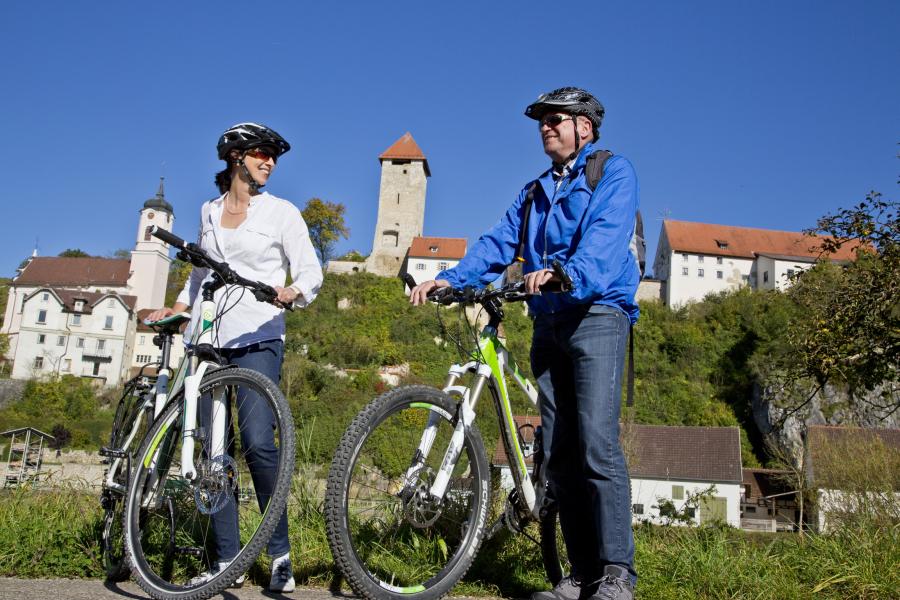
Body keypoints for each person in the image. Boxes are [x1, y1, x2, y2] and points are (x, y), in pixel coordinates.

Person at [410, 88, 639, 600]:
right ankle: (580, 575)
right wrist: (451, 278)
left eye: (556, 120)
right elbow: (497, 242)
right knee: (558, 454)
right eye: (541, 122)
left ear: (586, 126)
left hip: (598, 313)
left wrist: (563, 272)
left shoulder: (612, 171)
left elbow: (604, 239)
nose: (545, 128)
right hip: (548, 321)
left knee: (596, 445)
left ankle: (617, 574)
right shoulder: (534, 191)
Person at [147, 122, 323, 592]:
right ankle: (228, 559)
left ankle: (279, 551)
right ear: (234, 157)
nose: (269, 161)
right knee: (213, 451)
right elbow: (200, 273)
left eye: (273, 156)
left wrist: (294, 290)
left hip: (259, 336)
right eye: (261, 152)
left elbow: (310, 269)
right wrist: (181, 309)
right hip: (209, 339)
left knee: (259, 443)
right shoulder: (208, 211)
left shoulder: (281, 213)